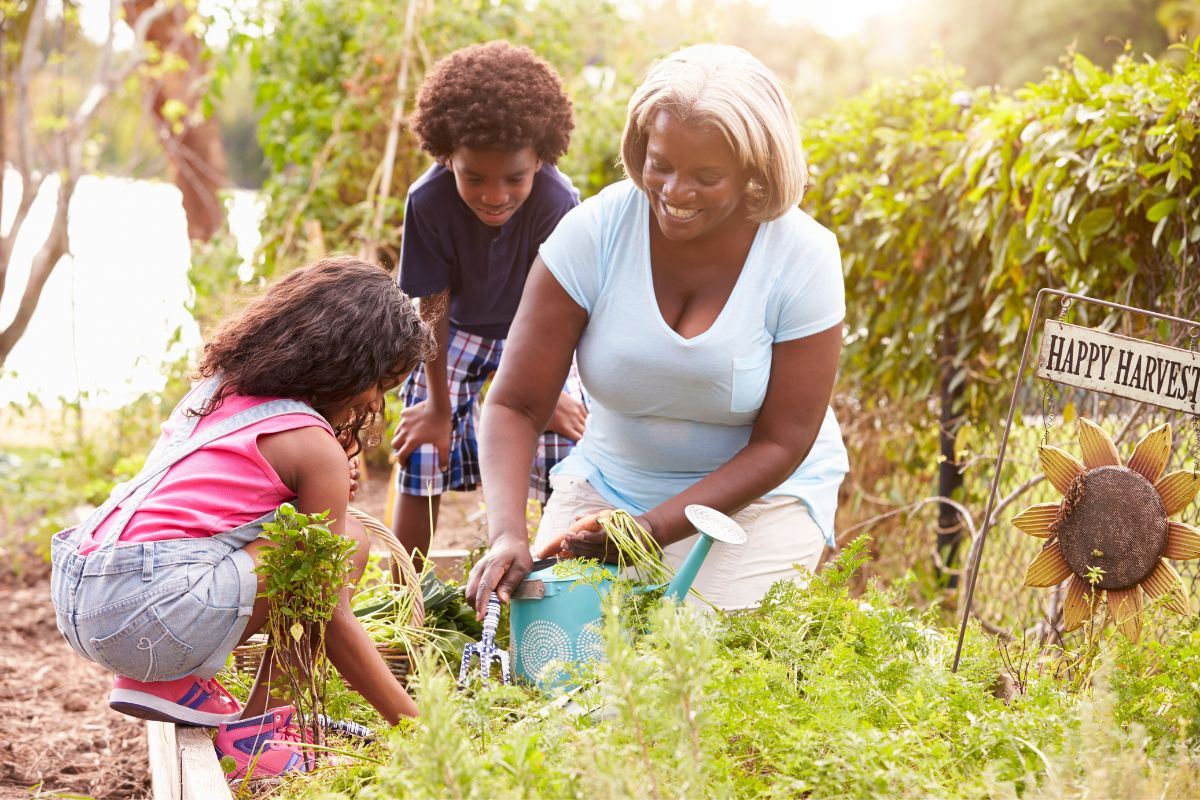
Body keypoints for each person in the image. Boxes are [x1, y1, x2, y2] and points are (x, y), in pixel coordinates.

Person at [466, 44, 849, 614]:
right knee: (554, 657)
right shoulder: (593, 234)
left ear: (755, 172)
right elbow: (516, 404)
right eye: (661, 164)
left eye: (707, 176)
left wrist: (647, 532)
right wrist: (507, 534)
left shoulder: (803, 256)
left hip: (758, 500)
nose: (674, 192)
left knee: (698, 663)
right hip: (610, 486)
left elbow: (782, 441)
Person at [50, 256, 429, 780]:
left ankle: (162, 682)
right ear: (347, 364)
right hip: (147, 611)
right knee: (352, 543)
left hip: (83, 592)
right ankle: (261, 732)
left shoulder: (219, 389)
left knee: (320, 541)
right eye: (379, 383)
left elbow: (205, 512)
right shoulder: (312, 448)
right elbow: (329, 616)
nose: (374, 401)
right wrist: (424, 732)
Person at [390, 40, 587, 569]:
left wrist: (552, 395)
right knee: (423, 449)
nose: (494, 195)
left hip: (536, 330)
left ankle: (552, 583)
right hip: (451, 334)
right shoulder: (427, 201)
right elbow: (431, 306)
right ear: (446, 155)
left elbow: (566, 305)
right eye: (473, 177)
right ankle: (404, 596)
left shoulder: (557, 201)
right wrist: (435, 406)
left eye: (513, 178)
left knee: (563, 450)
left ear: (539, 160)